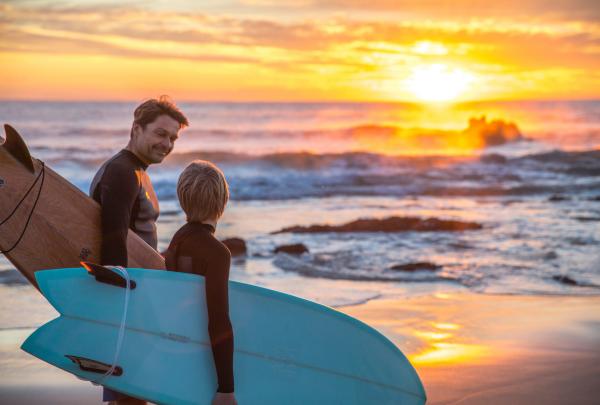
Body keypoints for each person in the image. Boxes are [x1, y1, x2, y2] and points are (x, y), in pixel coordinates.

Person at [90, 96, 189, 405]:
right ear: (136, 129)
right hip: (129, 300)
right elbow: (114, 240)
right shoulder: (121, 171)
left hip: (139, 295)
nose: (168, 143)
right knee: (132, 393)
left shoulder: (137, 170)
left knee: (133, 393)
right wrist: (123, 308)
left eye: (173, 137)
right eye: (161, 133)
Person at [164, 160, 237, 405]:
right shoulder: (217, 252)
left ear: (182, 197)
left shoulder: (177, 240)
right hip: (204, 366)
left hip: (176, 355)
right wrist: (226, 388)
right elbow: (218, 320)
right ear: (223, 200)